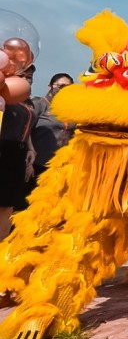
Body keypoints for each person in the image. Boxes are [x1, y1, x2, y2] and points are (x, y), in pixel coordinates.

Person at [0, 66, 37, 238]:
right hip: (3, 149)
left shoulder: (27, 104)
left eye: (29, 76)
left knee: (8, 205)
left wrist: (30, 149)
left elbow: (25, 130)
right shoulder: (4, 99)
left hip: (17, 154)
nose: (27, 79)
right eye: (23, 75)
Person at [27, 73, 74, 201]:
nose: (63, 90)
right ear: (50, 86)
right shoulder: (38, 105)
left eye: (68, 88)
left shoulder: (70, 110)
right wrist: (28, 161)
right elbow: (26, 131)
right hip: (36, 163)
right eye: (60, 86)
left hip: (57, 168)